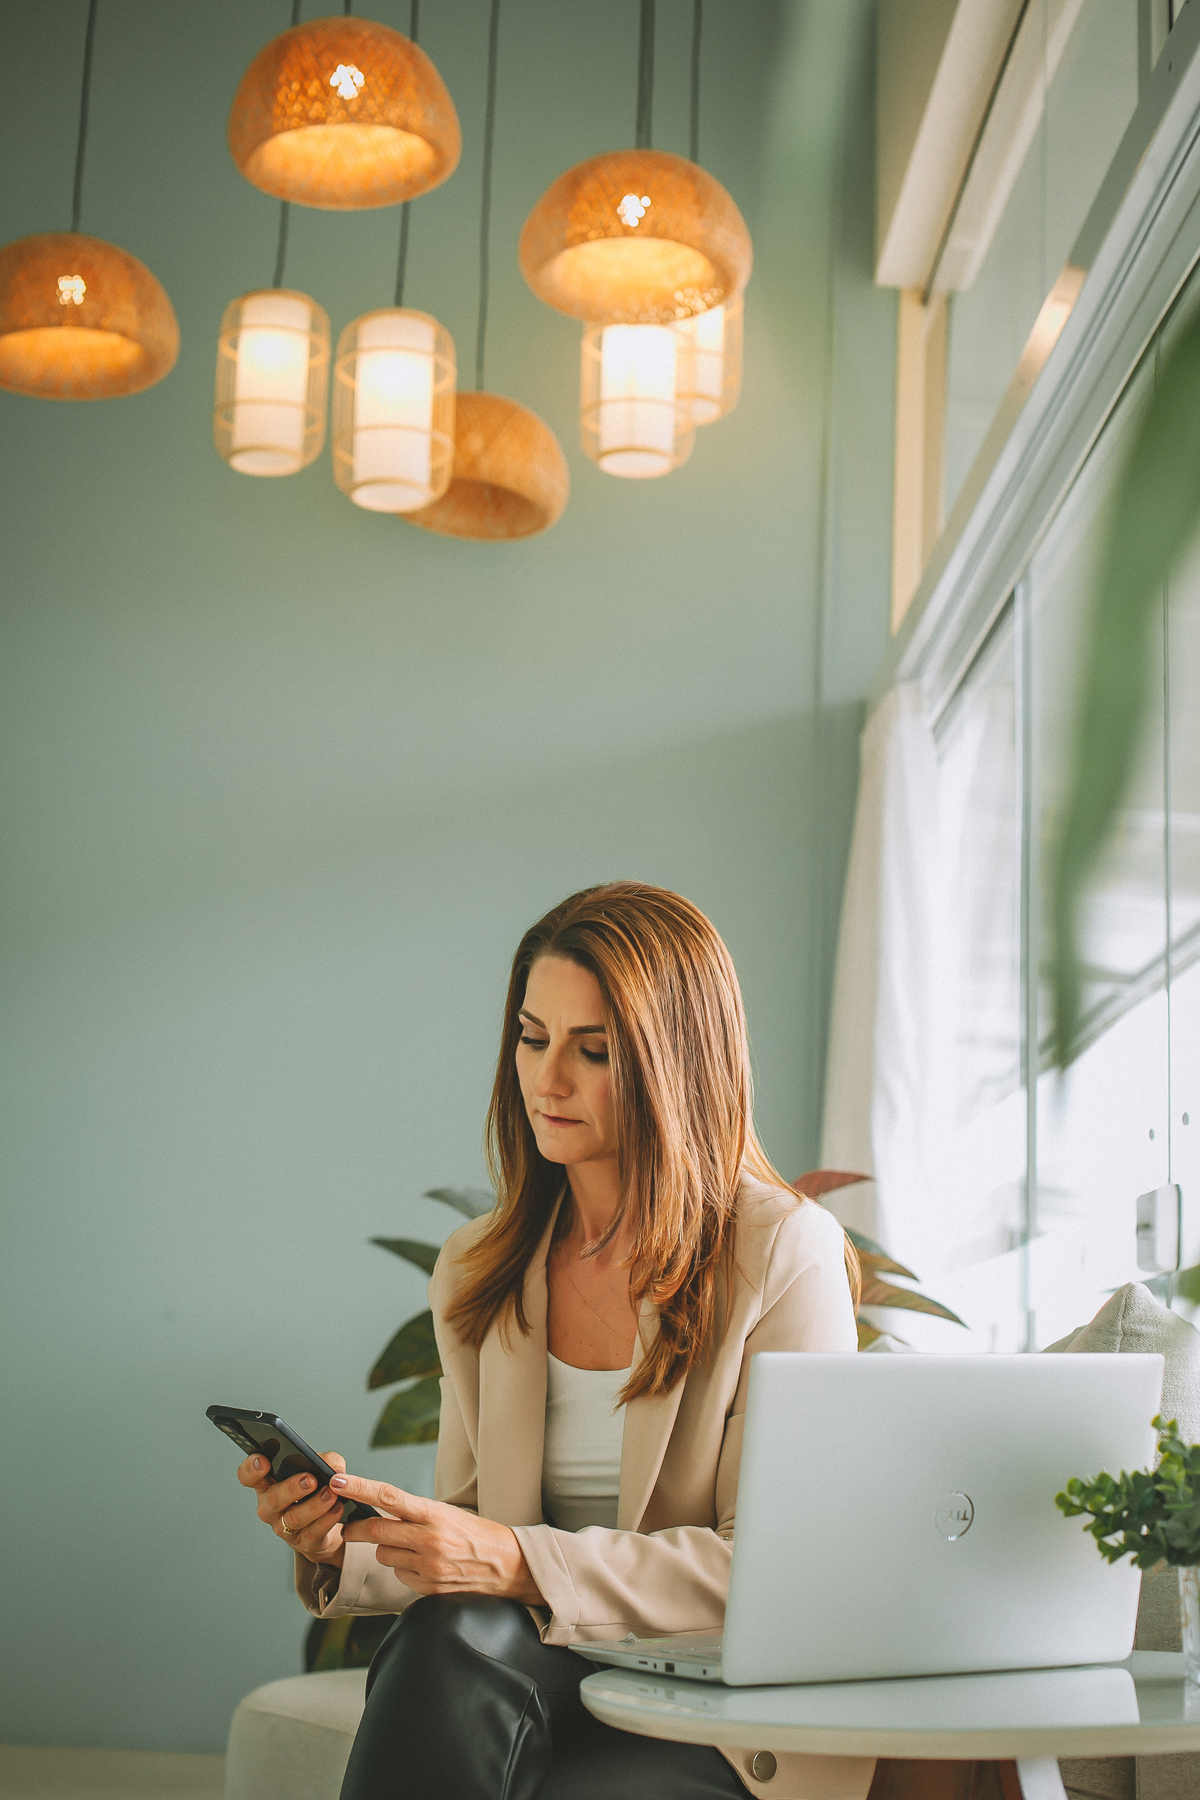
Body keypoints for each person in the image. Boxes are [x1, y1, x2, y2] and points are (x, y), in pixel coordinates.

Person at [235, 882, 860, 1800]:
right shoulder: (480, 1270)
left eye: (593, 1050)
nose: (547, 1078)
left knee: (460, 1656)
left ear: (675, 1065)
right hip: (533, 1677)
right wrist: (342, 1546)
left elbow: (774, 1570)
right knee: (449, 1636)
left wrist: (520, 1561)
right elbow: (470, 1526)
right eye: (532, 1038)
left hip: (718, 1711)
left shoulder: (781, 1252)